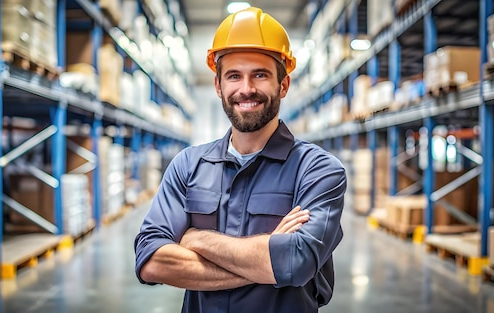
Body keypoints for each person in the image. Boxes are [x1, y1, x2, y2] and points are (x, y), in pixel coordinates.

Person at [134, 6, 347, 313]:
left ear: (283, 85)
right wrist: (266, 256)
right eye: (234, 76)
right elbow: (150, 260)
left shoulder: (318, 170)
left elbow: (295, 263)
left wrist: (197, 239)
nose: (246, 89)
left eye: (260, 75)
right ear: (219, 86)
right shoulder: (188, 165)